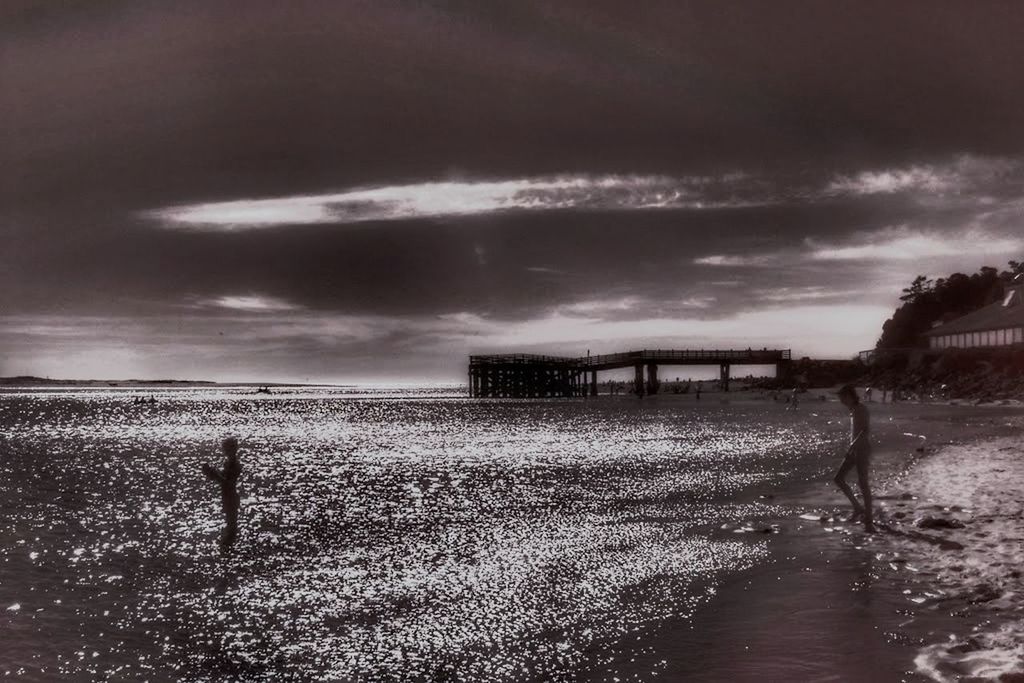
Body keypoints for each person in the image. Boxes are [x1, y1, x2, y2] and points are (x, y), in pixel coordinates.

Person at [833, 385, 874, 532]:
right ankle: (857, 507)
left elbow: (865, 431)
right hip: (855, 449)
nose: (841, 400)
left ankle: (869, 519)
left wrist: (852, 446)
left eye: (842, 397)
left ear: (850, 396)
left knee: (863, 483)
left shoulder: (860, 409)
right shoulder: (854, 410)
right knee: (838, 478)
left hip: (862, 450)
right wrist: (852, 447)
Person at [202, 436, 242, 549]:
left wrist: (213, 474)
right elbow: (222, 480)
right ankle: (228, 547)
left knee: (231, 526)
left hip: (231, 497)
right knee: (230, 525)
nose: (224, 451)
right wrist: (211, 473)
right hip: (227, 497)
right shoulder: (228, 464)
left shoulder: (235, 465)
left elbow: (227, 483)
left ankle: (228, 548)